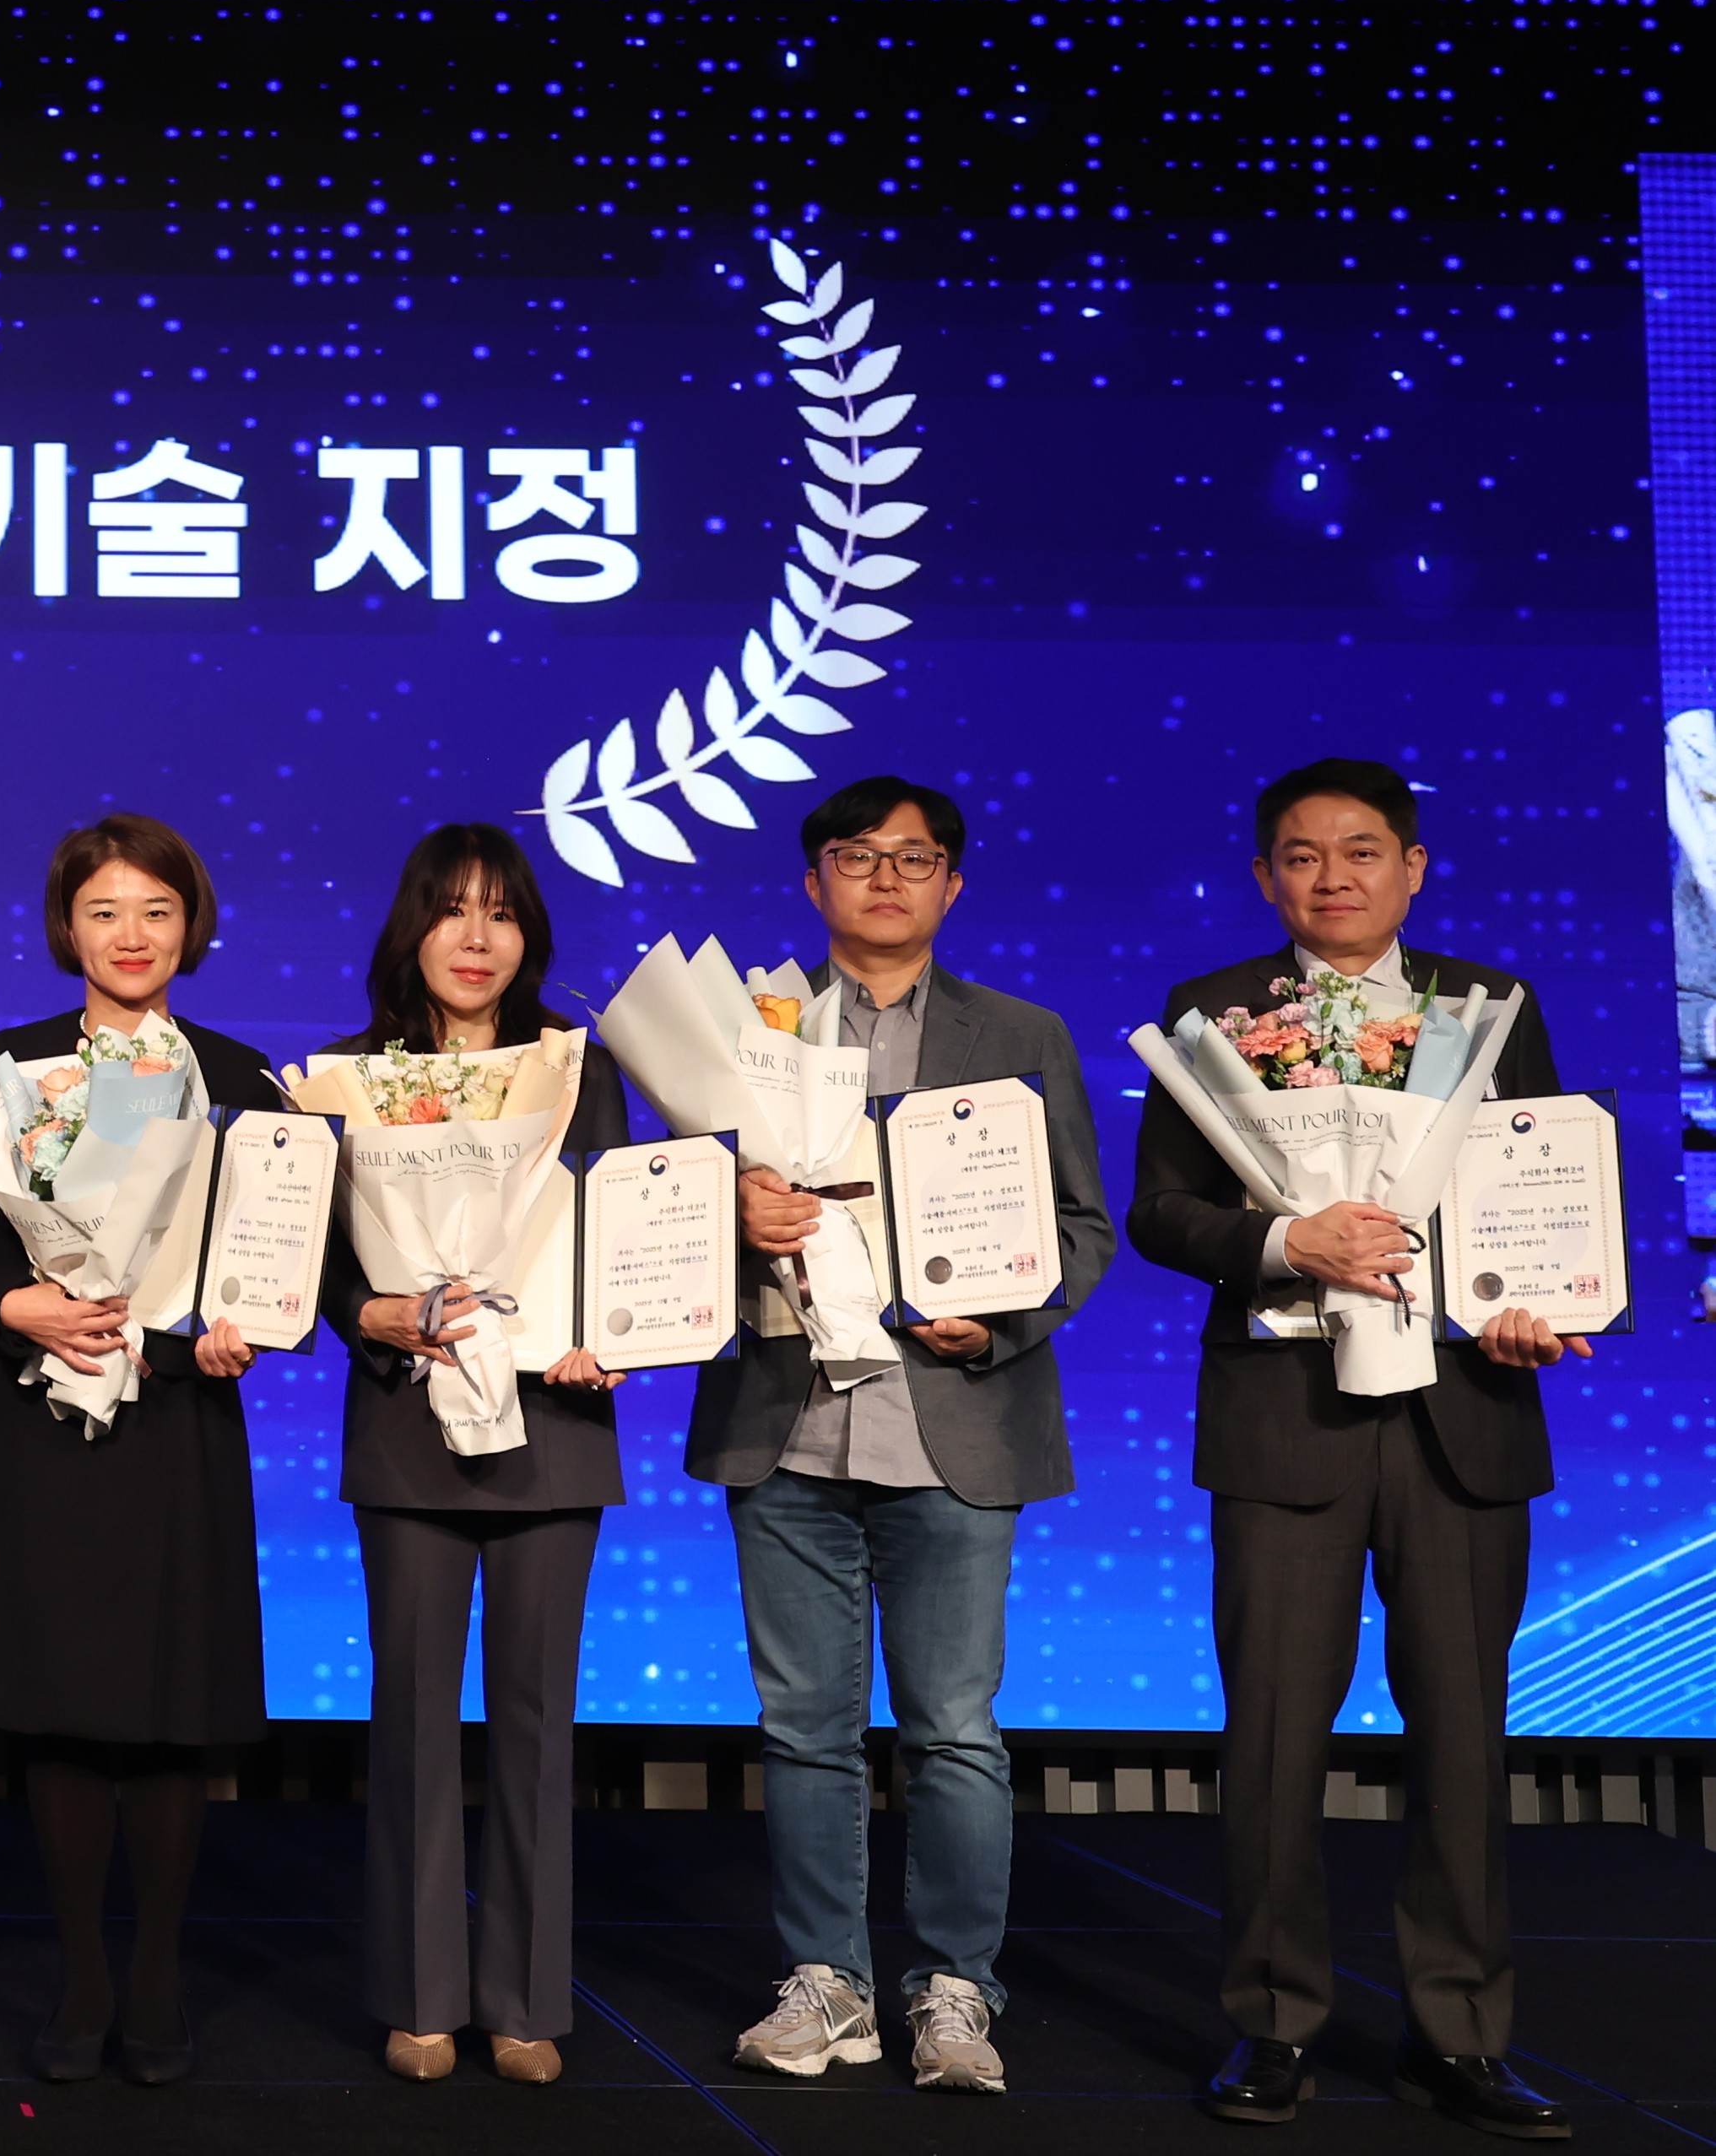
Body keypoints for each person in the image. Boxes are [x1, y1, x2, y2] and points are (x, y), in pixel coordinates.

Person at [1127, 758, 1585, 2138]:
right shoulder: (1213, 1010)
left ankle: (1461, 2035)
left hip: (1462, 1414)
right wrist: (1286, 1237)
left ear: (1413, 865)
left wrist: (1531, 1304)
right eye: (1301, 854)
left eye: (1361, 849)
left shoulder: (1492, 1007)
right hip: (1286, 1415)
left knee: (1464, 1737)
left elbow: (1540, 1186)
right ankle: (1271, 2023)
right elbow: (1162, 1211)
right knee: (1272, 1735)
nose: (1332, 876)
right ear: (1266, 876)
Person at [689, 776, 1112, 2096]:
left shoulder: (1021, 1032)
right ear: (812, 879)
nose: (885, 876)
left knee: (955, 1730)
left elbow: (1083, 1226)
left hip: (954, 1424)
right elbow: (658, 1217)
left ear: (953, 883)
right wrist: (727, 1215)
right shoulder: (741, 1031)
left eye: (914, 857)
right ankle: (828, 1980)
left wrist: (999, 1321)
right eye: (856, 853)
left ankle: (955, 1986)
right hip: (787, 1425)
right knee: (803, 1730)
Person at [0, 814, 276, 2089]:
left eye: (157, 911)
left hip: (176, 1415)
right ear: (67, 926)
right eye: (106, 910)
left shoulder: (241, 1076)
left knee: (169, 1710)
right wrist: (11, 1300)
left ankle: (158, 1969)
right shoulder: (2, 1072)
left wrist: (241, 1324)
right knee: (61, 1705)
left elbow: (276, 1247)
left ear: (193, 926)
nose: (132, 934)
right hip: (42, 1411)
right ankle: (80, 1972)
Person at [316, 821, 631, 2087]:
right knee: (413, 1717)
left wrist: (615, 1331)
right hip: (409, 1424)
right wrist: (371, 1310)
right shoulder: (347, 1077)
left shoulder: (576, 1071)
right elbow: (316, 1257)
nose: (477, 935)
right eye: (453, 908)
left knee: (539, 1722)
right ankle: (419, 1993)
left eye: (500, 911)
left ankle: (525, 1997)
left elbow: (623, 1224)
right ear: (415, 927)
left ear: (527, 935)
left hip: (555, 1425)